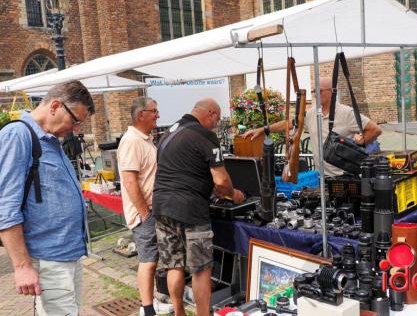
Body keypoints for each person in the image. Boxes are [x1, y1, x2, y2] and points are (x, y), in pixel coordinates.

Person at [0, 80, 94, 315]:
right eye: (75, 121)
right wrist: (22, 266)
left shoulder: (49, 140)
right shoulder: (18, 135)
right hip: (49, 257)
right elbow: (5, 205)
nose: (75, 129)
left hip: (66, 253)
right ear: (55, 106)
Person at [153, 98, 245, 316]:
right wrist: (234, 194)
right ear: (211, 114)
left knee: (173, 265)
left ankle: (179, 312)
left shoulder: (170, 131)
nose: (217, 125)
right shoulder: (205, 135)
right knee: (201, 269)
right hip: (190, 209)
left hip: (162, 205)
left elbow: (183, 169)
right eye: (218, 120)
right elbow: (222, 181)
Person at [242, 76, 382, 176]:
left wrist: (361, 142)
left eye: (320, 91)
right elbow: (289, 123)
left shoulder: (346, 113)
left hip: (344, 176)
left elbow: (375, 129)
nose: (316, 95)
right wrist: (262, 129)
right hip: (320, 176)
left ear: (331, 92)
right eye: (314, 92)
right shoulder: (312, 113)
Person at [117, 97, 168, 316]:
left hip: (151, 209)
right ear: (141, 115)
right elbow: (129, 181)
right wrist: (145, 213)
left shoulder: (145, 139)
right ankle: (147, 309)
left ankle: (153, 301)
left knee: (154, 260)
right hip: (144, 212)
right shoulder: (131, 141)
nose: (157, 115)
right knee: (148, 260)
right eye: (153, 111)